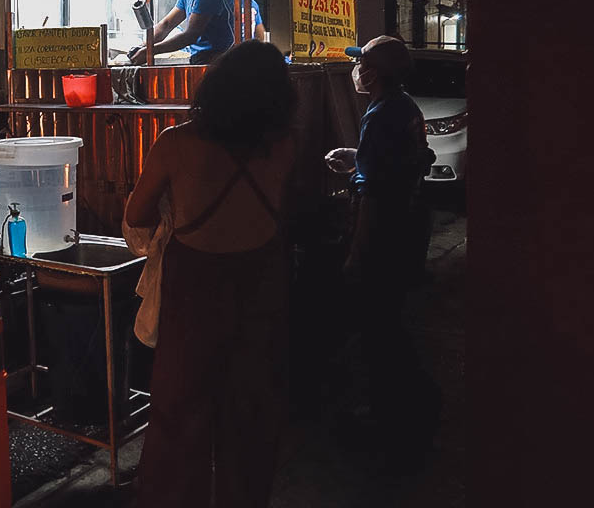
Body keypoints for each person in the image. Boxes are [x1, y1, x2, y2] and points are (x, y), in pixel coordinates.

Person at [126, 41, 296, 507]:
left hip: (195, 293)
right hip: (262, 285)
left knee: (179, 417)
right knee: (250, 415)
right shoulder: (283, 145)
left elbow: (136, 216)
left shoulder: (176, 143)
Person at [324, 34, 441, 468]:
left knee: (379, 328)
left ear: (372, 73)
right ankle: (409, 407)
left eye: (361, 63)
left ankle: (390, 416)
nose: (356, 69)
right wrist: (359, 157)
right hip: (406, 227)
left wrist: (356, 252)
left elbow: (373, 194)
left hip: (384, 231)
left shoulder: (379, 115)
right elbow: (415, 158)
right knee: (389, 321)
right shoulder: (403, 107)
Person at [129, 0, 266, 65]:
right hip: (198, 60)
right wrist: (142, 47)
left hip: (216, 63)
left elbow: (191, 34)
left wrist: (150, 52)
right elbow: (166, 25)